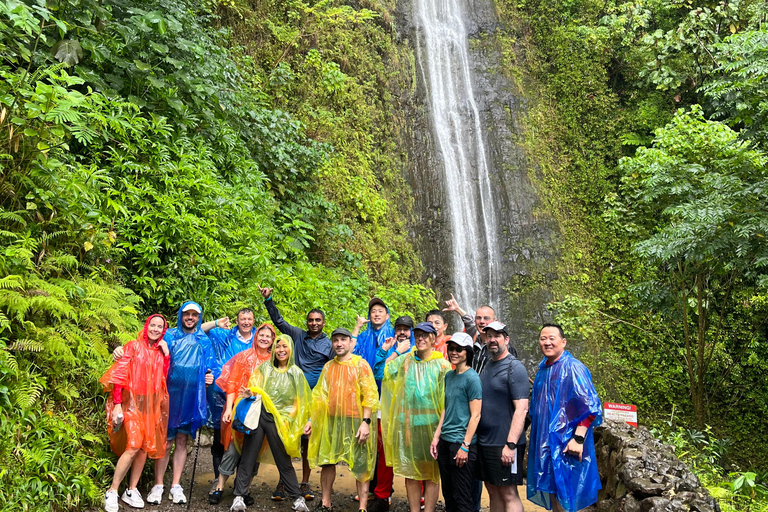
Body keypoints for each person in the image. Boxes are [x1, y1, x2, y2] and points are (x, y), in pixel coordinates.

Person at [261, 286, 334, 501]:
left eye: (317, 320)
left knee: (306, 441)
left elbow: (331, 371)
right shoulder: (297, 336)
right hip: (292, 398)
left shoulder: (329, 345)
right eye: (310, 320)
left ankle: (304, 482)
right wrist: (268, 300)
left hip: (313, 400)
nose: (313, 323)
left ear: (323, 323)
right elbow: (280, 322)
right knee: (286, 438)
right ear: (307, 322)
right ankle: (284, 481)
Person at [229, 334, 312, 512]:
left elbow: (300, 400)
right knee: (248, 456)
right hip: (260, 416)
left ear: (291, 349)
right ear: (273, 350)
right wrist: (249, 393)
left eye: (284, 347)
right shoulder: (265, 368)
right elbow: (255, 387)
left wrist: (288, 418)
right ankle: (238, 496)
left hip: (280, 421)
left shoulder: (295, 373)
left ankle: (297, 498)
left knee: (283, 460)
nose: (281, 350)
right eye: (278, 347)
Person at [527, 324, 602, 512]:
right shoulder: (543, 370)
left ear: (563, 341)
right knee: (554, 496)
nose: (547, 342)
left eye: (552, 338)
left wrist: (578, 438)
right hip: (547, 444)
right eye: (543, 338)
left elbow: (590, 407)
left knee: (566, 499)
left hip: (567, 444)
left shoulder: (574, 368)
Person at [148, 301, 216, 505]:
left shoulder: (204, 340)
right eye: (187, 314)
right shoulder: (169, 336)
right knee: (165, 441)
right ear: (181, 315)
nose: (190, 318)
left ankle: (175, 485)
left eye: (195, 315)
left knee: (181, 441)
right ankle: (158, 485)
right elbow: (150, 350)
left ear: (199, 317)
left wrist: (210, 375)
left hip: (190, 398)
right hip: (169, 395)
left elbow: (211, 365)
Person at [101, 315, 170, 512]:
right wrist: (116, 405)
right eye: (153, 325)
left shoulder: (161, 351)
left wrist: (166, 356)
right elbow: (119, 374)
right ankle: (112, 490)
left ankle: (131, 489)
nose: (155, 329)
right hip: (130, 403)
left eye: (160, 327)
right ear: (147, 326)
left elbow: (162, 379)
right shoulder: (132, 346)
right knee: (133, 445)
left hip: (150, 406)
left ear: (163, 330)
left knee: (143, 448)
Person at [306, 327, 379, 512]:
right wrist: (311, 420)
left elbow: (369, 395)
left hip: (356, 421)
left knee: (361, 464)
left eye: (343, 340)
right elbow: (319, 396)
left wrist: (366, 422)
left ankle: (362, 507)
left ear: (350, 342)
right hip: (331, 421)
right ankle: (325, 504)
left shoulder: (360, 365)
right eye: (335, 340)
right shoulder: (328, 366)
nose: (339, 343)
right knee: (328, 461)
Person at [381, 322, 451, 512]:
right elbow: (383, 372)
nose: (421, 338)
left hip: (431, 426)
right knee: (410, 472)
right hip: (408, 425)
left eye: (425, 335)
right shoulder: (406, 361)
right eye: (418, 335)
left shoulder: (443, 365)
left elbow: (447, 402)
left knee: (431, 473)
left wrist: (439, 433)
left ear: (433, 339)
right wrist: (392, 351)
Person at [209, 323, 276, 505]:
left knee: (255, 452)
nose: (264, 338)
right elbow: (231, 383)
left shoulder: (273, 362)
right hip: (240, 409)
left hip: (261, 411)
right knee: (232, 449)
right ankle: (219, 487)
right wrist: (229, 408)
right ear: (256, 336)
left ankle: (244, 489)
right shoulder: (243, 357)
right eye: (261, 334)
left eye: (268, 336)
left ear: (272, 340)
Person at [475, 321, 529, 512]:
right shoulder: (488, 365)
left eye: (497, 336)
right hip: (486, 441)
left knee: (508, 492)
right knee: (492, 489)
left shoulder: (515, 367)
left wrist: (511, 445)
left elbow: (522, 409)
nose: (492, 340)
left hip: (505, 443)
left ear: (506, 339)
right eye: (489, 336)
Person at [202, 308, 258, 487]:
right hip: (222, 393)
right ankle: (219, 482)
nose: (246, 322)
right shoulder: (224, 336)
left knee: (248, 437)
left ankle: (241, 483)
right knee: (220, 436)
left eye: (249, 319)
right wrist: (217, 323)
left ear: (254, 320)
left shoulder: (260, 339)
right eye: (243, 318)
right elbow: (199, 330)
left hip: (249, 395)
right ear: (237, 320)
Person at [429, 332, 482, 512]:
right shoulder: (449, 376)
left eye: (458, 349)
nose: (454, 352)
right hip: (446, 441)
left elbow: (476, 415)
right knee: (449, 494)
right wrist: (436, 437)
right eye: (451, 349)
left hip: (462, 443)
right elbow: (446, 408)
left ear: (467, 352)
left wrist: (465, 446)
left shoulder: (472, 378)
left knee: (463, 496)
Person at [368, 316, 415, 512]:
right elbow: (378, 373)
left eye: (406, 329)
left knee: (412, 455)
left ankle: (417, 497)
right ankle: (382, 495)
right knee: (384, 455)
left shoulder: (416, 350)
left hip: (410, 412)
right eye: (399, 329)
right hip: (386, 410)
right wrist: (391, 351)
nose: (402, 332)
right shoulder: (391, 347)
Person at [441, 294, 497, 375]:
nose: (482, 321)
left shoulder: (499, 345)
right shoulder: (471, 342)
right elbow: (470, 324)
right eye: (478, 318)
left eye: (486, 318)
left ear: (495, 321)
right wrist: (457, 309)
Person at [352, 297, 395, 377]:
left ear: (387, 316)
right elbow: (350, 352)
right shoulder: (363, 336)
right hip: (366, 381)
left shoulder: (393, 335)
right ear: (369, 316)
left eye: (380, 311)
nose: (377, 314)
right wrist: (357, 327)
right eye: (373, 312)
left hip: (387, 381)